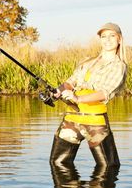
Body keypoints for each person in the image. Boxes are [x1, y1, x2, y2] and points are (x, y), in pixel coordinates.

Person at [50, 23, 127, 168]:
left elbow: (104, 93)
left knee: (108, 167)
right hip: (71, 120)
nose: (107, 39)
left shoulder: (119, 66)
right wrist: (58, 91)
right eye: (103, 36)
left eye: (112, 36)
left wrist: (78, 99)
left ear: (119, 40)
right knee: (58, 164)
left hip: (95, 122)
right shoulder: (87, 61)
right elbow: (70, 82)